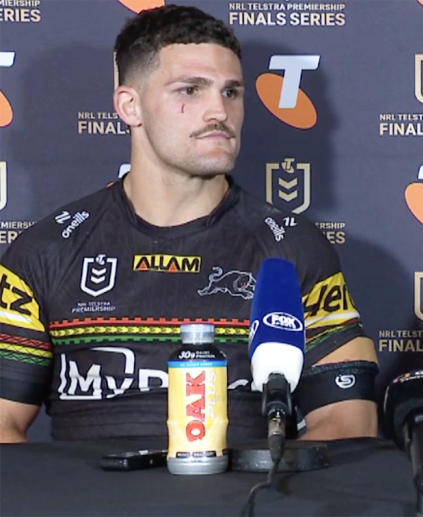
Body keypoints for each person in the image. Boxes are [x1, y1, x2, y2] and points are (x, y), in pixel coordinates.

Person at [0, 5, 378, 443]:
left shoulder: (293, 249)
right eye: (191, 90)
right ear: (130, 106)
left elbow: (349, 422)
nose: (218, 111)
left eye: (231, 92)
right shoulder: (46, 251)